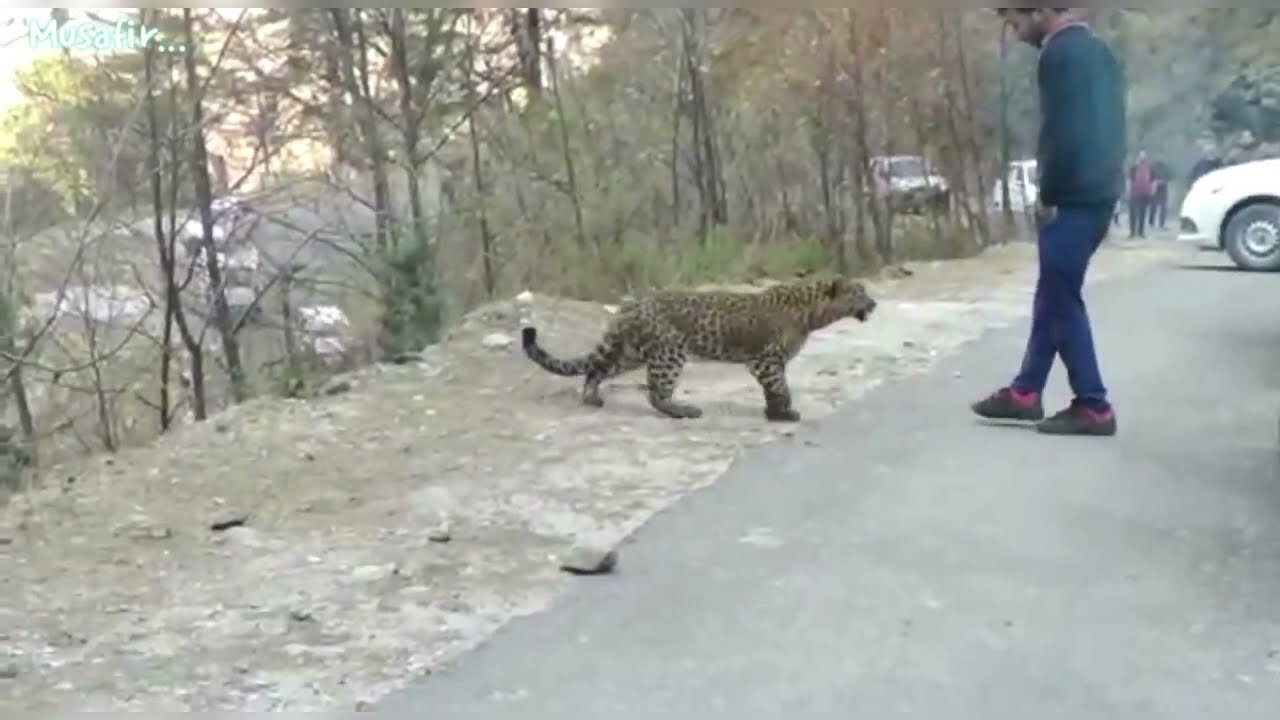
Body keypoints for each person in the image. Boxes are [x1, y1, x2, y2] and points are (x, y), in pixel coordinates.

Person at [973, 8, 1123, 437]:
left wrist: (1051, 193)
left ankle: (1093, 405)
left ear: (1040, 10)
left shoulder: (1058, 55)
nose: (1011, 27)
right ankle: (1025, 392)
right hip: (1100, 189)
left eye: (1014, 17)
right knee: (1054, 290)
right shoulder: (1098, 51)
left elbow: (1064, 131)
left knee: (1061, 298)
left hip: (1075, 193)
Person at [1128, 150, 1153, 238]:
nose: (1142, 159)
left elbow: (1152, 181)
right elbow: (1130, 179)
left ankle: (1139, 232)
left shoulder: (1147, 168)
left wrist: (1151, 191)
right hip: (1136, 193)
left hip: (1142, 193)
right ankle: (1134, 232)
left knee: (1141, 213)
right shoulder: (1135, 168)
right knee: (1135, 213)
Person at [1148, 158, 1170, 231]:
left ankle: (1160, 223)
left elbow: (1170, 177)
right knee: (1154, 206)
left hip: (1162, 187)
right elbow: (1150, 177)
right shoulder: (1153, 166)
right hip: (1157, 187)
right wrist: (1155, 182)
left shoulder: (1165, 167)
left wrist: (1163, 181)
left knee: (1161, 206)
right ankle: (1152, 222)